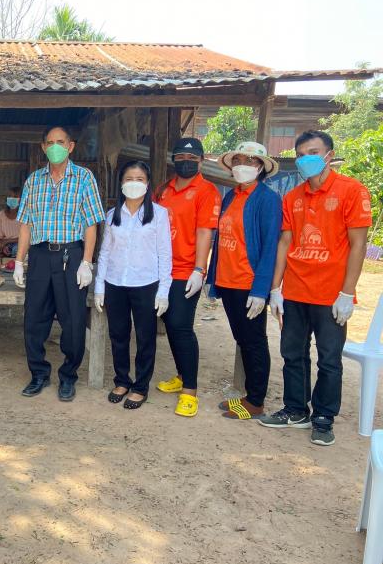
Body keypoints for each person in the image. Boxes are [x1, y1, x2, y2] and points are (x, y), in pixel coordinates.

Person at [258, 130, 371, 446]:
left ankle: (323, 418)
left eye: (313, 152)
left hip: (330, 294)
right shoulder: (293, 197)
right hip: (295, 291)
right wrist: (276, 288)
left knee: (329, 359)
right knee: (292, 354)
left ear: (329, 155)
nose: (305, 159)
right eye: (300, 154)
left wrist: (347, 293)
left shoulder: (352, 191)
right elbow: (285, 242)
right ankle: (296, 410)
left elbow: (358, 244)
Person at [14, 126, 105, 402]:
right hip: (40, 255)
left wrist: (86, 262)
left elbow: (91, 224)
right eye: (50, 142)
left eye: (60, 142)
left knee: (73, 320)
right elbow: (26, 224)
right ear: (43, 147)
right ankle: (39, 374)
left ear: (70, 146)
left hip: (71, 255)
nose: (55, 147)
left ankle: (68, 376)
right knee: (34, 319)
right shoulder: (34, 180)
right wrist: (19, 261)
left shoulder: (84, 178)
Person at [206, 142, 282, 420]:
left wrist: (261, 290)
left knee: (254, 341)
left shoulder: (267, 199)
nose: (242, 165)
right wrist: (212, 278)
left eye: (250, 161)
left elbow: (271, 246)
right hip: (228, 280)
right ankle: (249, 396)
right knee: (242, 338)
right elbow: (221, 240)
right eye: (238, 160)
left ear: (260, 167)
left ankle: (256, 401)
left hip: (248, 283)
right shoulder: (231, 196)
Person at [94, 161, 172, 409]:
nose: (134, 183)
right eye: (129, 179)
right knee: (118, 334)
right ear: (121, 183)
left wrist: (164, 291)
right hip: (115, 282)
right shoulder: (112, 215)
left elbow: (165, 254)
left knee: (145, 337)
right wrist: (99, 287)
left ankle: (140, 387)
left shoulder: (159, 214)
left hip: (145, 283)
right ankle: (122, 381)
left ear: (148, 184)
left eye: (140, 179)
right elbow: (104, 253)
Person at [155, 137, 221, 417]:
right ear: (173, 159)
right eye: (181, 157)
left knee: (181, 326)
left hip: (185, 270)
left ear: (202, 161)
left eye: (193, 158)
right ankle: (182, 375)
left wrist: (199, 269)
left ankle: (190, 391)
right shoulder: (164, 189)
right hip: (160, 270)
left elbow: (205, 231)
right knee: (169, 324)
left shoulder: (207, 191)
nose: (186, 162)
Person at [0, 186, 22, 257]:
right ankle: (5, 252)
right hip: (5, 243)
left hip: (19, 242)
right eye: (10, 196)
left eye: (15, 197)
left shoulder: (24, 214)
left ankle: (6, 254)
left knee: (16, 250)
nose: (12, 199)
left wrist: (6, 241)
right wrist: (2, 245)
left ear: (21, 199)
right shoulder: (1, 214)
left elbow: (26, 236)